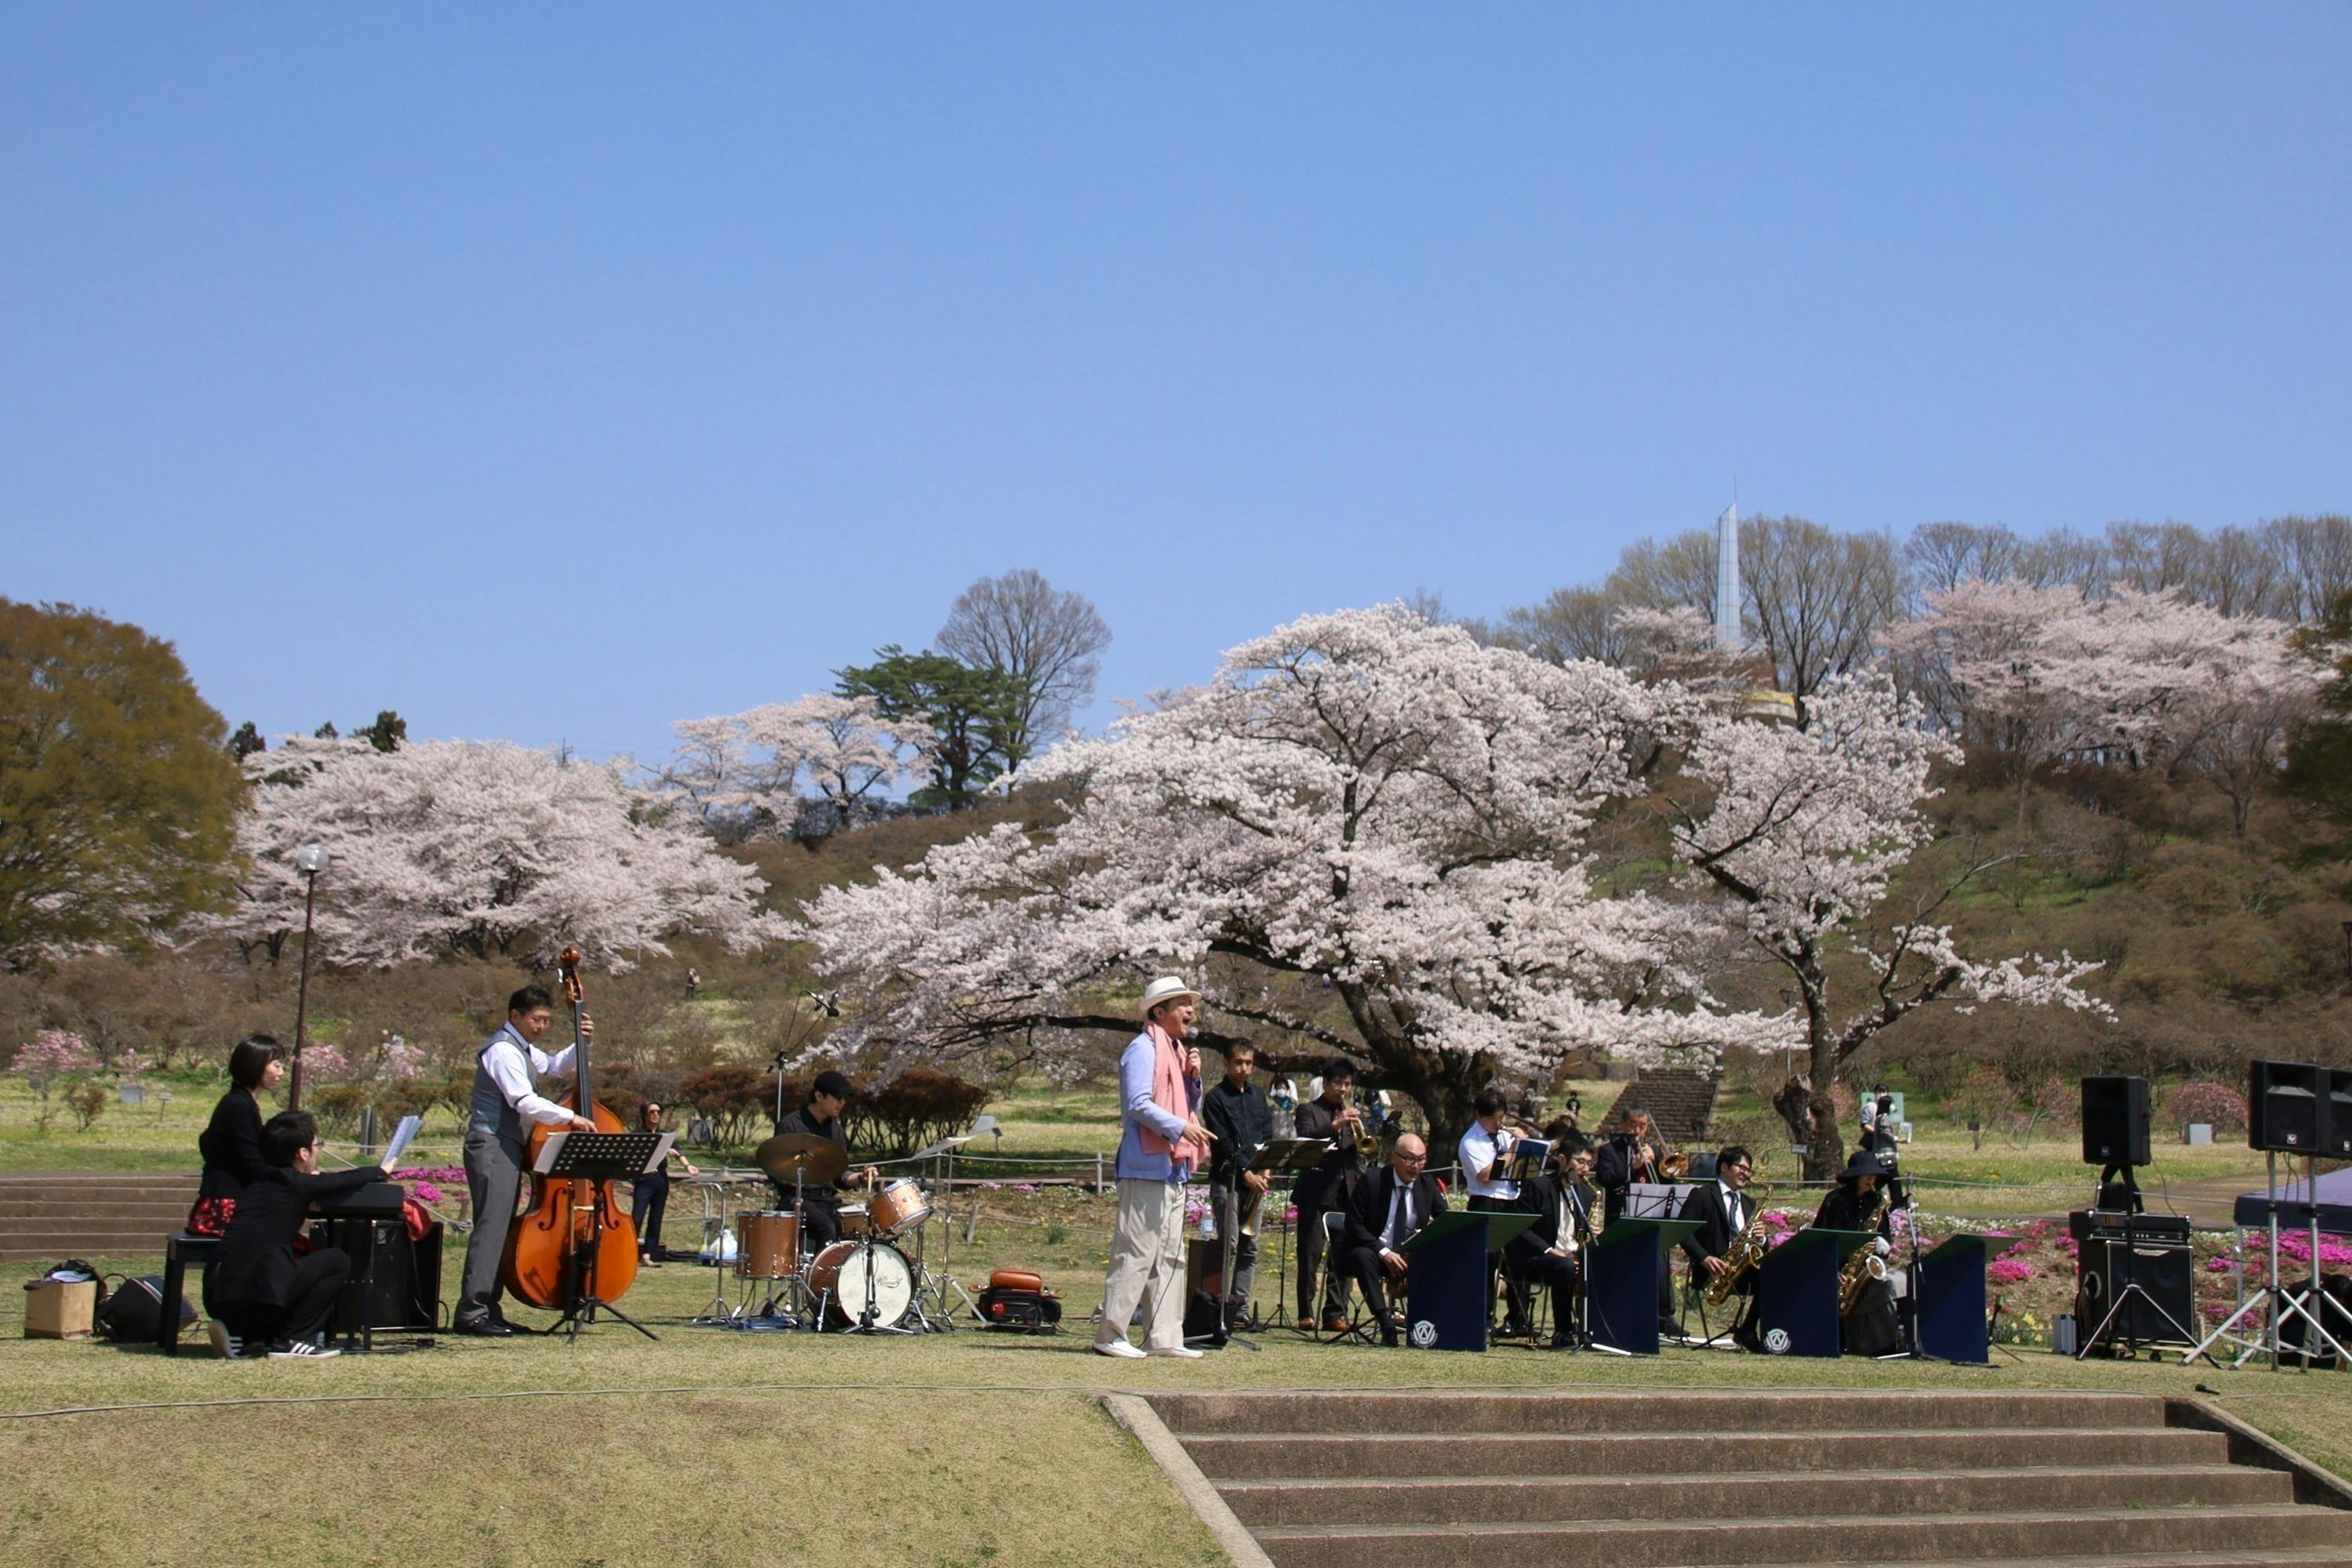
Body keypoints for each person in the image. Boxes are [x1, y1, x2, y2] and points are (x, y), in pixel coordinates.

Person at [456, 983, 601, 1337]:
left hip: (505, 1143)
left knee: (500, 1228)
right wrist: (570, 1118)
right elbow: (523, 1100)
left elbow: (553, 1067)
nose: (541, 1027)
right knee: (491, 1228)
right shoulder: (502, 1051)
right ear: (515, 1016)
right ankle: (473, 1311)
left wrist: (582, 1043)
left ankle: (489, 1307)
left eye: (547, 1021)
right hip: (491, 1143)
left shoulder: (521, 1048)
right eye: (536, 1020)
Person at [206, 1109, 396, 1359]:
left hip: (219, 1291)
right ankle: (293, 1339)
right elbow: (343, 1180)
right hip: (258, 1295)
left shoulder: (258, 1181)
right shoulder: (297, 1183)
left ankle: (244, 1335)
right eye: (317, 1145)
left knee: (270, 1262)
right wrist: (381, 1171)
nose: (318, 1150)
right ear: (302, 1153)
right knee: (336, 1261)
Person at [1094, 975, 1213, 1359]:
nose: (1189, 1010)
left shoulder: (1177, 1053)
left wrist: (1194, 1079)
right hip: (1145, 1164)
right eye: (1180, 1004)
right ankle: (1110, 1333)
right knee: (1136, 1250)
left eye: (1189, 1003)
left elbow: (1184, 1103)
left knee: (1170, 1256)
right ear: (1159, 1012)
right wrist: (1181, 1127)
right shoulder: (1142, 1049)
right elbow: (1139, 1105)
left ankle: (1164, 1337)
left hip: (1172, 1166)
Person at [1336, 1134, 1446, 1346]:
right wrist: (1384, 1252)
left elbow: (1444, 1220)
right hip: (1373, 1252)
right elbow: (1353, 1224)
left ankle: (1425, 1323)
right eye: (1410, 1159)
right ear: (1394, 1157)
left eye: (1421, 1160)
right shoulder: (1372, 1181)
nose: (1416, 1166)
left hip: (1408, 1255)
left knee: (1435, 1256)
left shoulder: (1426, 1184)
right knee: (1363, 1256)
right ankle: (1386, 1323)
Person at [1200, 1039, 1272, 1330]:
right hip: (1228, 1181)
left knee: (1249, 1246)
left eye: (1249, 1063)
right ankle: (1219, 1308)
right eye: (1239, 1062)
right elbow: (1223, 1142)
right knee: (1228, 1245)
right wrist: (1246, 1173)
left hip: (1257, 1182)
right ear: (1226, 1064)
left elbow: (1267, 1133)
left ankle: (1239, 1308)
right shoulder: (1216, 1098)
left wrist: (1266, 1169)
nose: (1245, 1068)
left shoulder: (1258, 1096)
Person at [1290, 1059, 1365, 1330]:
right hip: (1316, 1191)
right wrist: (1335, 1124)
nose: (1343, 1089)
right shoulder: (1308, 1110)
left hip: (1346, 1192)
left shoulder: (1353, 1113)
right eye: (1338, 1083)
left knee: (1342, 1254)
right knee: (1310, 1254)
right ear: (1325, 1082)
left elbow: (1364, 1150)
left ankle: (1335, 1312)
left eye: (1347, 1084)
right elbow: (1307, 1137)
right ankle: (1305, 1311)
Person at [1595, 1105, 1680, 1333]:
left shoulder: (1655, 1152)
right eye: (1633, 1124)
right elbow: (1605, 1179)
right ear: (1623, 1125)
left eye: (1642, 1126)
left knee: (1661, 1263)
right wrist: (1632, 1167)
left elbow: (1670, 1185)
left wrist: (1661, 1166)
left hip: (1650, 1216)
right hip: (1621, 1219)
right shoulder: (1609, 1151)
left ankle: (1665, 1316)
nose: (1637, 1130)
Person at [774, 1069, 879, 1251]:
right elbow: (777, 1171)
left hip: (828, 1202)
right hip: (798, 1199)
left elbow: (840, 1176)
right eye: (838, 1098)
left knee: (867, 1223)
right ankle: (818, 1278)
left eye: (844, 1099)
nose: (842, 1103)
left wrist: (861, 1177)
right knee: (827, 1228)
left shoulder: (836, 1131)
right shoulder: (790, 1126)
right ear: (819, 1096)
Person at [1457, 1087, 1531, 1338]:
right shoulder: (1470, 1141)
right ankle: (1484, 1318)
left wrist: (1527, 1143)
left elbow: (1523, 1162)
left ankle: (1518, 1318)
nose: (1498, 1124)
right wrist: (1515, 1150)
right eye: (1493, 1120)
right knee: (1488, 1265)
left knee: (1518, 1260)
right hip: (1485, 1201)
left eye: (1502, 1118)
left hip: (1511, 1199)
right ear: (1479, 1115)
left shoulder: (1504, 1135)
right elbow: (1487, 1175)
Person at [190, 1035, 281, 1237]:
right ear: (256, 1066)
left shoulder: (241, 1103)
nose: (280, 1072)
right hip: (225, 1210)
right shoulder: (239, 1107)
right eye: (276, 1065)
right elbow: (252, 1163)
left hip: (230, 1203)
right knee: (294, 1250)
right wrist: (292, 1176)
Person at [1509, 1136, 1595, 1348]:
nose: (1585, 1168)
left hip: (1570, 1253)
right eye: (1580, 1162)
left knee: (1604, 1260)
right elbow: (1520, 1229)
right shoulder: (1538, 1186)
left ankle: (1594, 1328)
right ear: (1562, 1160)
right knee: (1564, 1267)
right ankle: (1563, 1332)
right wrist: (1549, 1250)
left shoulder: (1586, 1193)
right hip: (1536, 1258)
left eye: (1589, 1163)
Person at [1814, 1147, 1900, 1356]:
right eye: (1867, 1174)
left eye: (1874, 1175)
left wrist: (1882, 1245)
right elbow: (1819, 1238)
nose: (1872, 1179)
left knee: (1890, 1285)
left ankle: (1882, 1343)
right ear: (1856, 1176)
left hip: (1865, 1269)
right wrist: (1833, 1270)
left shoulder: (1877, 1201)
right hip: (1837, 1267)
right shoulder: (1834, 1200)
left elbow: (1886, 1240)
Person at [1678, 1144, 1762, 1349]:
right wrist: (1704, 1258)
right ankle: (1748, 1332)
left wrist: (1762, 1239)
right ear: (1724, 1167)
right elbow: (1683, 1232)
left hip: (1742, 1271)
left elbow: (1756, 1246)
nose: (1746, 1174)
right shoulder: (1703, 1195)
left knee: (1775, 1274)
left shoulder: (1750, 1203)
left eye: (1749, 1170)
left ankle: (1749, 1329)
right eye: (1741, 1168)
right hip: (1711, 1271)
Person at [631, 1101, 700, 1264]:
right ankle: (630, 1251)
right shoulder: (638, 1134)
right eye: (652, 1112)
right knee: (637, 1217)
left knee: (656, 1218)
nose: (656, 1115)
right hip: (644, 1179)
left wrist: (688, 1166)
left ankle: (648, 1254)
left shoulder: (665, 1135)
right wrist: (661, 1150)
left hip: (661, 1179)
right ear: (645, 1115)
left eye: (658, 1112)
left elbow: (677, 1151)